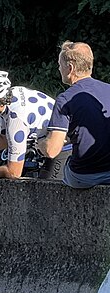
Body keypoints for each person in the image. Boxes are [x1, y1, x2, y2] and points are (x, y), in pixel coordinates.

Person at [0, 70, 71, 179]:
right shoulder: (11, 95)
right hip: (58, 139)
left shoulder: (16, 120)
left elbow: (14, 172)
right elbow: (3, 139)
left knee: (45, 192)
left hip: (63, 147)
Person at [38, 40, 110, 189]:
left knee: (66, 165)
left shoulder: (65, 99)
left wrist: (40, 142)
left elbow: (52, 150)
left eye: (59, 65)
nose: (58, 68)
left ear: (69, 68)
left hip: (84, 176)